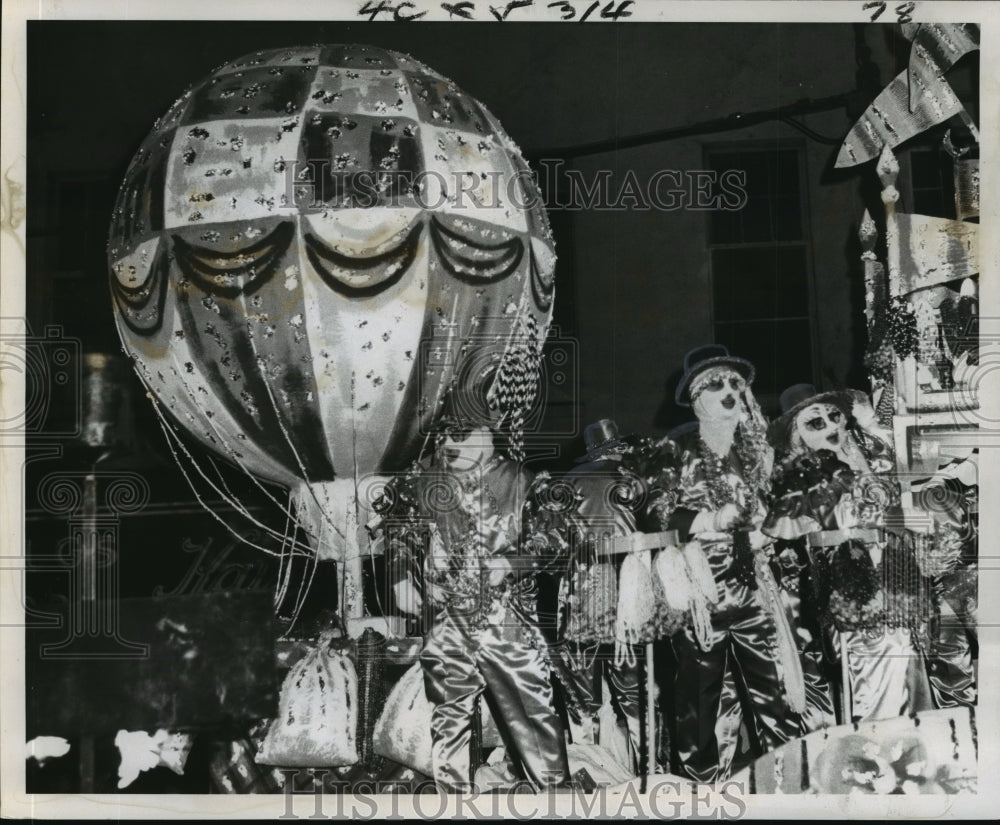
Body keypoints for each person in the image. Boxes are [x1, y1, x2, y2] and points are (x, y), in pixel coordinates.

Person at [372, 391, 569, 792]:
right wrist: (400, 575)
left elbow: (554, 540)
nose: (449, 444)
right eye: (443, 436)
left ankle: (556, 798)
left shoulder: (521, 481)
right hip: (446, 619)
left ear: (488, 433)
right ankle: (454, 801)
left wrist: (512, 563)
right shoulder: (427, 481)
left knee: (531, 712)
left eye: (460, 434)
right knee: (449, 715)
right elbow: (401, 532)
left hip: (508, 619)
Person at [642, 345, 802, 783]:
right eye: (715, 384)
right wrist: (707, 520)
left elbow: (786, 504)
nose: (729, 391)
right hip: (700, 590)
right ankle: (703, 789)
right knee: (700, 696)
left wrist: (771, 531)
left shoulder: (761, 447)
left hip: (756, 586)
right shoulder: (675, 447)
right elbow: (652, 512)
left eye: (735, 383)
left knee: (775, 688)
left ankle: (787, 781)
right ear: (696, 399)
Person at [764, 384, 934, 723]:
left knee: (908, 663)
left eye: (834, 416)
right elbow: (780, 524)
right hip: (850, 584)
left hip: (894, 575)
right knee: (873, 665)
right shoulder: (801, 474)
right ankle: (878, 755)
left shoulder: (867, 455)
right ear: (798, 436)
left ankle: (917, 753)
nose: (830, 426)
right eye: (815, 422)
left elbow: (918, 473)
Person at [544, 419, 650, 770]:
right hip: (629, 594)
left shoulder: (564, 483)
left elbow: (549, 549)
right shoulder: (638, 480)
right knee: (636, 694)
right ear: (618, 448)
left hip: (581, 596)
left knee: (580, 697)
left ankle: (587, 768)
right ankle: (647, 770)